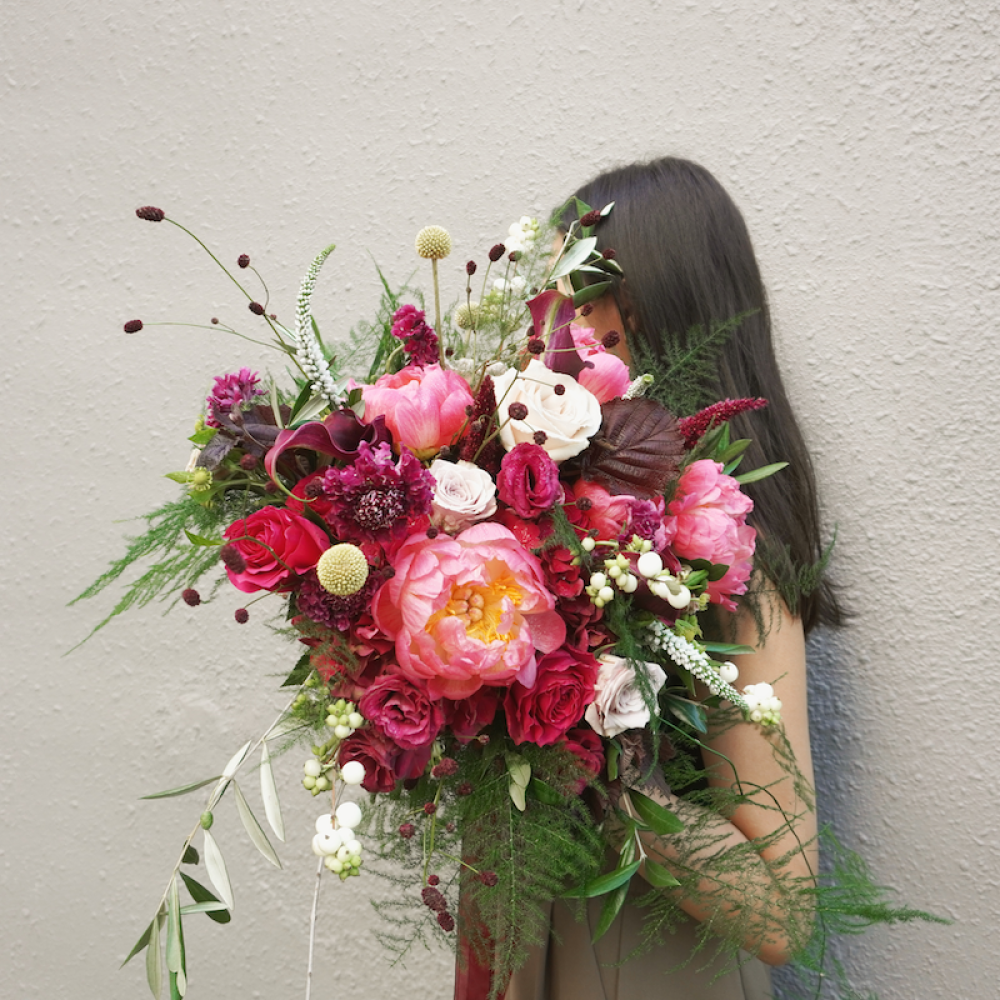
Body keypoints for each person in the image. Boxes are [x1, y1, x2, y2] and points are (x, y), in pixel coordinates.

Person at [498, 157, 844, 1000]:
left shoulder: (725, 567)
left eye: (574, 302)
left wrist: (596, 753)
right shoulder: (556, 526)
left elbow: (781, 913)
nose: (549, 334)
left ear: (648, 311)